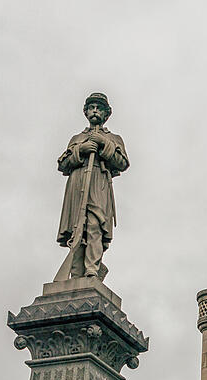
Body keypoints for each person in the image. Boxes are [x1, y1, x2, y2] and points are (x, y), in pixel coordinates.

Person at [56, 93, 129, 279]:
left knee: (95, 225)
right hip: (77, 183)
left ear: (106, 114)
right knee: (77, 228)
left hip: (99, 182)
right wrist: (81, 149)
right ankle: (76, 272)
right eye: (92, 107)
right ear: (86, 112)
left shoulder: (114, 138)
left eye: (99, 108)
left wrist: (104, 144)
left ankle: (92, 270)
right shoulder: (77, 138)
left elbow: (122, 162)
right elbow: (62, 164)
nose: (95, 111)